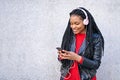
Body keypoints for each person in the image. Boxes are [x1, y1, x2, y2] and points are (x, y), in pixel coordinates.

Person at [57, 7, 104, 80]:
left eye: (77, 23)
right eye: (71, 24)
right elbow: (63, 61)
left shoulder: (95, 38)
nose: (73, 27)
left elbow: (96, 64)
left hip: (85, 78)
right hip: (67, 77)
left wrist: (77, 58)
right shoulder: (69, 36)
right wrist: (62, 56)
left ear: (86, 21)